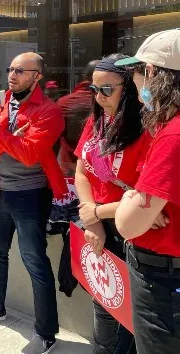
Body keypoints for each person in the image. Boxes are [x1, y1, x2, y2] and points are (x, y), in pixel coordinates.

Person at [0, 53, 67, 354]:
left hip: (29, 195)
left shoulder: (49, 111)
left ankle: (46, 333)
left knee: (35, 262)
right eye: (10, 69)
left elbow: (30, 155)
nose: (12, 74)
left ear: (37, 76)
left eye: (21, 71)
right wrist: (9, 138)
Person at [74, 55, 149, 353]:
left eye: (107, 90)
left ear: (129, 88)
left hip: (131, 231)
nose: (98, 97)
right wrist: (93, 221)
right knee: (103, 305)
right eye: (94, 89)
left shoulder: (147, 130)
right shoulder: (96, 122)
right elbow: (81, 172)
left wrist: (95, 213)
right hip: (98, 227)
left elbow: (146, 196)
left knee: (129, 315)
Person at [115, 28, 180, 353]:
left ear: (154, 73)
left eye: (138, 72)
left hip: (163, 283)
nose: (135, 82)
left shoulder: (172, 135)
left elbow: (128, 224)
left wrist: (131, 199)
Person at [57, 60, 100, 176]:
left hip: (70, 165)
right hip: (99, 165)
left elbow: (56, 136)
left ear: (83, 77)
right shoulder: (109, 102)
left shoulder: (64, 102)